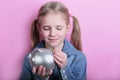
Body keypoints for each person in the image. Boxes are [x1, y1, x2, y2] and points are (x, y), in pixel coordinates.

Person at [20, 1, 86, 80]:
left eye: (59, 28)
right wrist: (41, 78)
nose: (53, 34)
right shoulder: (30, 59)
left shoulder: (78, 58)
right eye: (46, 28)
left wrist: (65, 68)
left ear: (67, 28)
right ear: (39, 29)